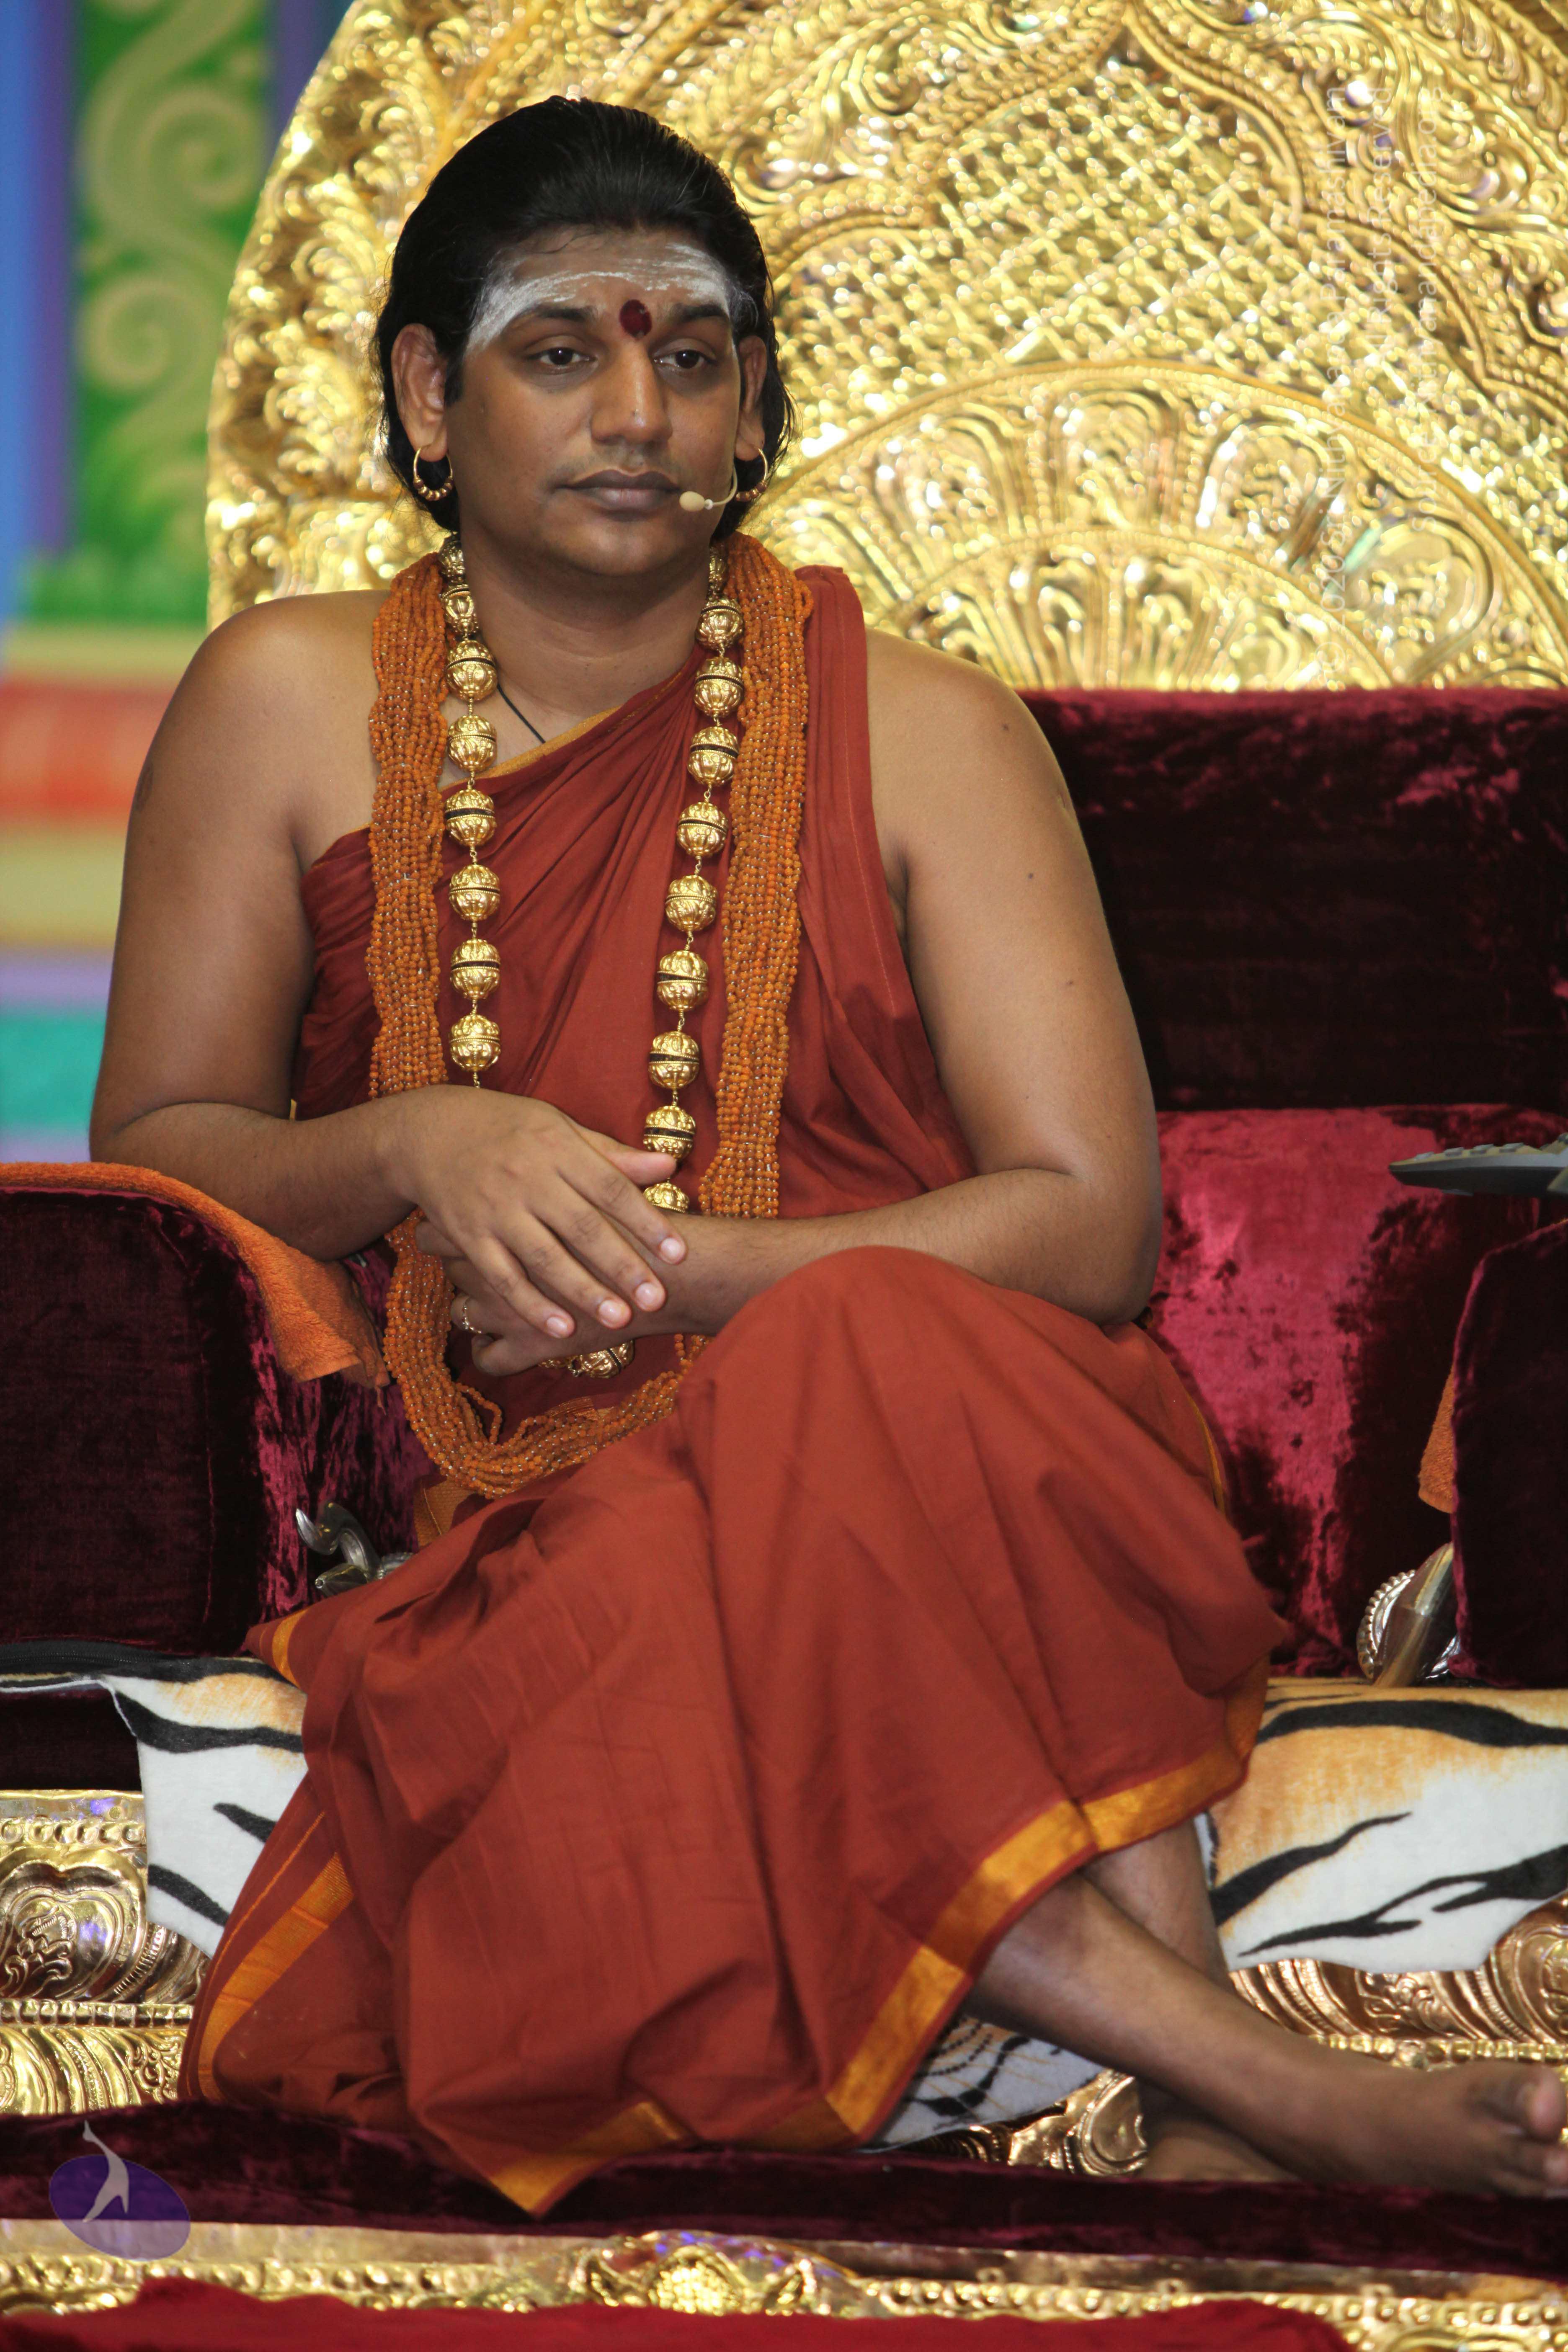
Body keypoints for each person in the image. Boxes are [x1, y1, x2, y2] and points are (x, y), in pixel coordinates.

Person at [92, 97, 1567, 2209]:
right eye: (559, 353)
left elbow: (1091, 1224)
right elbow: (162, 1148)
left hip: (976, 1431)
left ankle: (1224, 2102)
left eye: (694, 359)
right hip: (547, 1487)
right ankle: (1240, 2092)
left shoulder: (939, 733)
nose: (638, 415)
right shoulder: (285, 699)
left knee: (859, 1353)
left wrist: (687, 1272)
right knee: (791, 1434)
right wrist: (420, 1141)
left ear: (757, 403)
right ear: (425, 392)